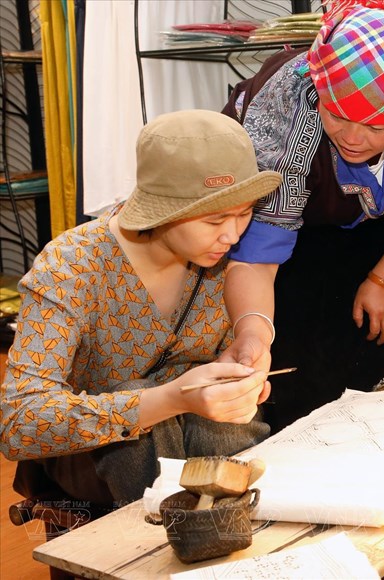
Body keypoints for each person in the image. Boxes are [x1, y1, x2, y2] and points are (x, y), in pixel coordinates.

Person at [0, 110, 281, 507]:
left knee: (224, 428)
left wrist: (241, 374)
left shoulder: (231, 257)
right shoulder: (72, 265)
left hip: (198, 437)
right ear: (162, 210)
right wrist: (170, 399)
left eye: (244, 212)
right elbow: (19, 421)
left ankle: (237, 525)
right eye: (215, 219)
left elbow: (233, 357)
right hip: (95, 456)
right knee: (138, 400)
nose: (233, 234)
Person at [220, 0, 384, 431]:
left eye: (375, 126)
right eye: (337, 115)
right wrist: (253, 335)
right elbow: (258, 255)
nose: (352, 137)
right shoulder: (289, 111)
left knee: (381, 364)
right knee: (298, 372)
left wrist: (382, 279)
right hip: (293, 234)